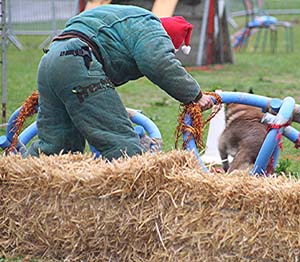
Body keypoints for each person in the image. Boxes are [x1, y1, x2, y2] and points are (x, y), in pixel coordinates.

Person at [26, 4, 214, 160]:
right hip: (80, 58)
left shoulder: (130, 20)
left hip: (50, 59)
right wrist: (195, 95)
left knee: (56, 149)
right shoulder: (152, 28)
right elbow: (159, 62)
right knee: (122, 146)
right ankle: (131, 201)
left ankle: (17, 175)